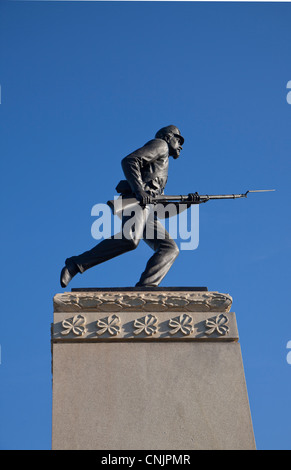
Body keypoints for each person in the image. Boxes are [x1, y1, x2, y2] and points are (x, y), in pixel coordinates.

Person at [60, 125, 199, 288]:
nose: (181, 145)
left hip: (146, 209)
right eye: (178, 139)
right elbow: (129, 160)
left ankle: (146, 287)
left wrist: (187, 204)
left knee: (169, 248)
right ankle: (76, 264)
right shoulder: (160, 145)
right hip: (136, 201)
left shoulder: (162, 165)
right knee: (130, 239)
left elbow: (161, 211)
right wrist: (139, 190)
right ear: (167, 137)